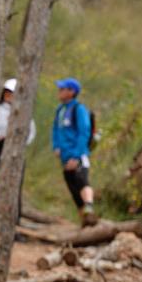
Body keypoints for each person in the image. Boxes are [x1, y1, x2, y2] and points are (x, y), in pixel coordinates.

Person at [51, 77, 97, 226]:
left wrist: (76, 156)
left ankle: (89, 207)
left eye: (62, 89)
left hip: (78, 155)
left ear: (72, 92)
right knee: (73, 188)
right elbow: (56, 130)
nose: (59, 91)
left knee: (82, 181)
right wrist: (56, 146)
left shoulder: (79, 109)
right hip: (64, 156)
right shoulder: (60, 110)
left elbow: (84, 132)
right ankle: (84, 220)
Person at [0, 78, 36, 185]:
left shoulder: (23, 112)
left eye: (11, 93)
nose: (8, 95)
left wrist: (19, 143)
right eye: (7, 92)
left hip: (14, 150)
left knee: (13, 181)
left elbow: (31, 132)